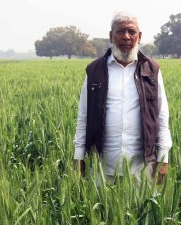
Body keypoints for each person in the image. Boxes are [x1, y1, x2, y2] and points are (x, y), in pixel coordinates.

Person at [73, 11, 172, 185]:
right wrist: (78, 156)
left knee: (142, 212)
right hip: (101, 167)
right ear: (111, 36)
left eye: (131, 32)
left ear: (139, 37)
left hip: (142, 167)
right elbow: (83, 117)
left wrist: (163, 158)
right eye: (120, 31)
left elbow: (162, 117)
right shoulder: (94, 70)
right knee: (101, 212)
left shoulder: (152, 70)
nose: (126, 37)